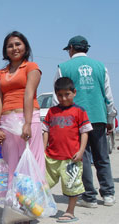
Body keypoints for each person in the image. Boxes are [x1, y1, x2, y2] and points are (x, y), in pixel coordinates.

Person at [54, 35, 117, 207]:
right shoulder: (100, 67)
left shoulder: (64, 67)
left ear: (71, 49)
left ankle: (89, 197)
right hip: (98, 116)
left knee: (83, 156)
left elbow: (56, 97)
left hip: (76, 118)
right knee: (102, 156)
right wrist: (110, 118)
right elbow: (108, 95)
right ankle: (108, 194)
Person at [0, 31, 45, 185]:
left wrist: (27, 123)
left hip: (28, 118)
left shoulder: (31, 67)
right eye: (10, 46)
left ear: (25, 47)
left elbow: (28, 95)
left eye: (18, 44)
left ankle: (35, 206)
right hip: (6, 122)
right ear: (5, 50)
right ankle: (14, 205)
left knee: (33, 163)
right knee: (11, 166)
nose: (14, 48)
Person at [43, 77, 93, 223]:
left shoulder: (79, 111)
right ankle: (42, 206)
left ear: (74, 92)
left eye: (67, 94)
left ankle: (70, 212)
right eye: (60, 95)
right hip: (51, 157)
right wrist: (42, 149)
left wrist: (81, 150)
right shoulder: (52, 111)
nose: (63, 98)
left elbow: (85, 132)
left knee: (72, 185)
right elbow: (45, 130)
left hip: (71, 158)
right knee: (42, 183)